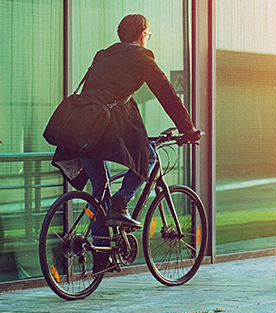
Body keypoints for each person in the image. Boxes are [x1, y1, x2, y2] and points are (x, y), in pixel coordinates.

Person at [52, 14, 202, 231]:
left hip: (81, 130)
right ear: (143, 35)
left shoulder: (103, 56)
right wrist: (187, 129)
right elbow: (166, 93)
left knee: (99, 191)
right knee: (149, 156)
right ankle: (121, 202)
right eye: (148, 34)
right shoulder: (141, 56)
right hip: (107, 126)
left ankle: (101, 258)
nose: (147, 38)